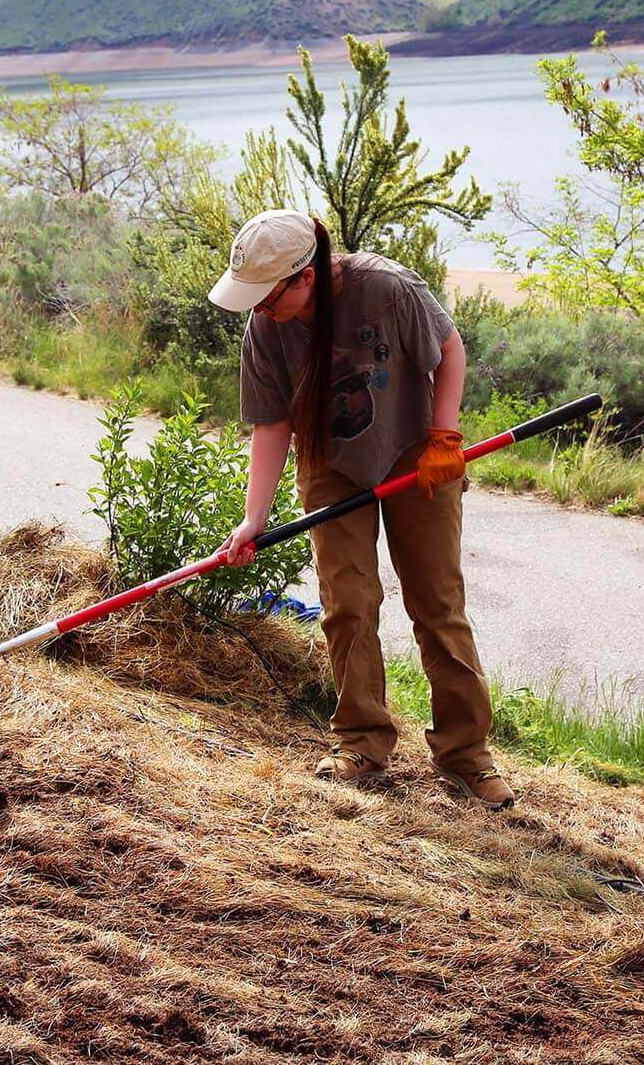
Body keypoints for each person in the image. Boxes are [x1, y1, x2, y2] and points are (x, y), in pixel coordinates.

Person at [208, 209, 513, 810]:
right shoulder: (267, 327)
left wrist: (445, 437)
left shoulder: (387, 289)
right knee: (347, 603)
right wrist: (254, 517)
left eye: (267, 295)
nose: (259, 308)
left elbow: (450, 350)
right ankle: (362, 744)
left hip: (414, 453)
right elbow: (272, 424)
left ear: (305, 277)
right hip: (329, 464)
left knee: (437, 603)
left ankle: (466, 757)